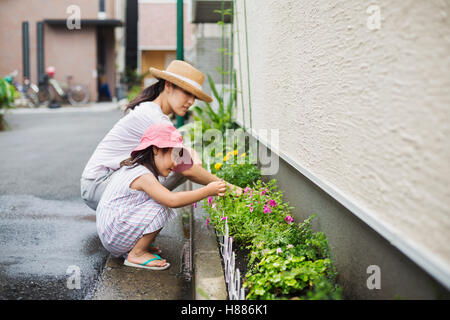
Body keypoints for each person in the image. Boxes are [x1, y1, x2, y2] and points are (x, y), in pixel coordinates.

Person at [80, 60, 242, 211]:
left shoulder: (151, 110)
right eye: (187, 93)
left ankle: (138, 220)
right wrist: (228, 188)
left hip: (103, 183)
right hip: (99, 185)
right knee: (180, 167)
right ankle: (138, 224)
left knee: (178, 161)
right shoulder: (154, 117)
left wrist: (189, 151)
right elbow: (186, 166)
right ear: (168, 86)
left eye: (194, 97)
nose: (191, 101)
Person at [96, 123, 226, 270]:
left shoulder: (136, 169)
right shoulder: (143, 175)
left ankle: (135, 247)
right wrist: (207, 191)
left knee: (158, 201)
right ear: (156, 149)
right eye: (174, 155)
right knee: (162, 205)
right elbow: (172, 200)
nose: (176, 163)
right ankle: (137, 253)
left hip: (112, 233)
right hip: (114, 234)